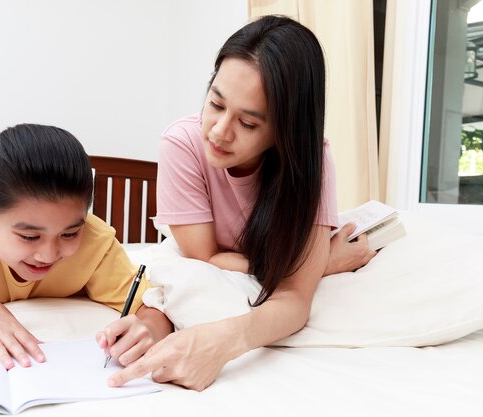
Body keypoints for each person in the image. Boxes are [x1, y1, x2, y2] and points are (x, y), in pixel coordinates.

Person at [106, 15, 375, 391]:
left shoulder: (311, 164)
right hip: (237, 261)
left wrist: (223, 342)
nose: (218, 132)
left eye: (248, 124)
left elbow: (295, 299)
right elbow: (203, 259)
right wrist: (321, 264)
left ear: (286, 132)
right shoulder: (183, 143)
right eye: (215, 104)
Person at [0, 124, 173, 370]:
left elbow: (152, 307)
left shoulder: (96, 241)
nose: (49, 255)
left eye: (69, 233)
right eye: (29, 237)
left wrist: (148, 328)